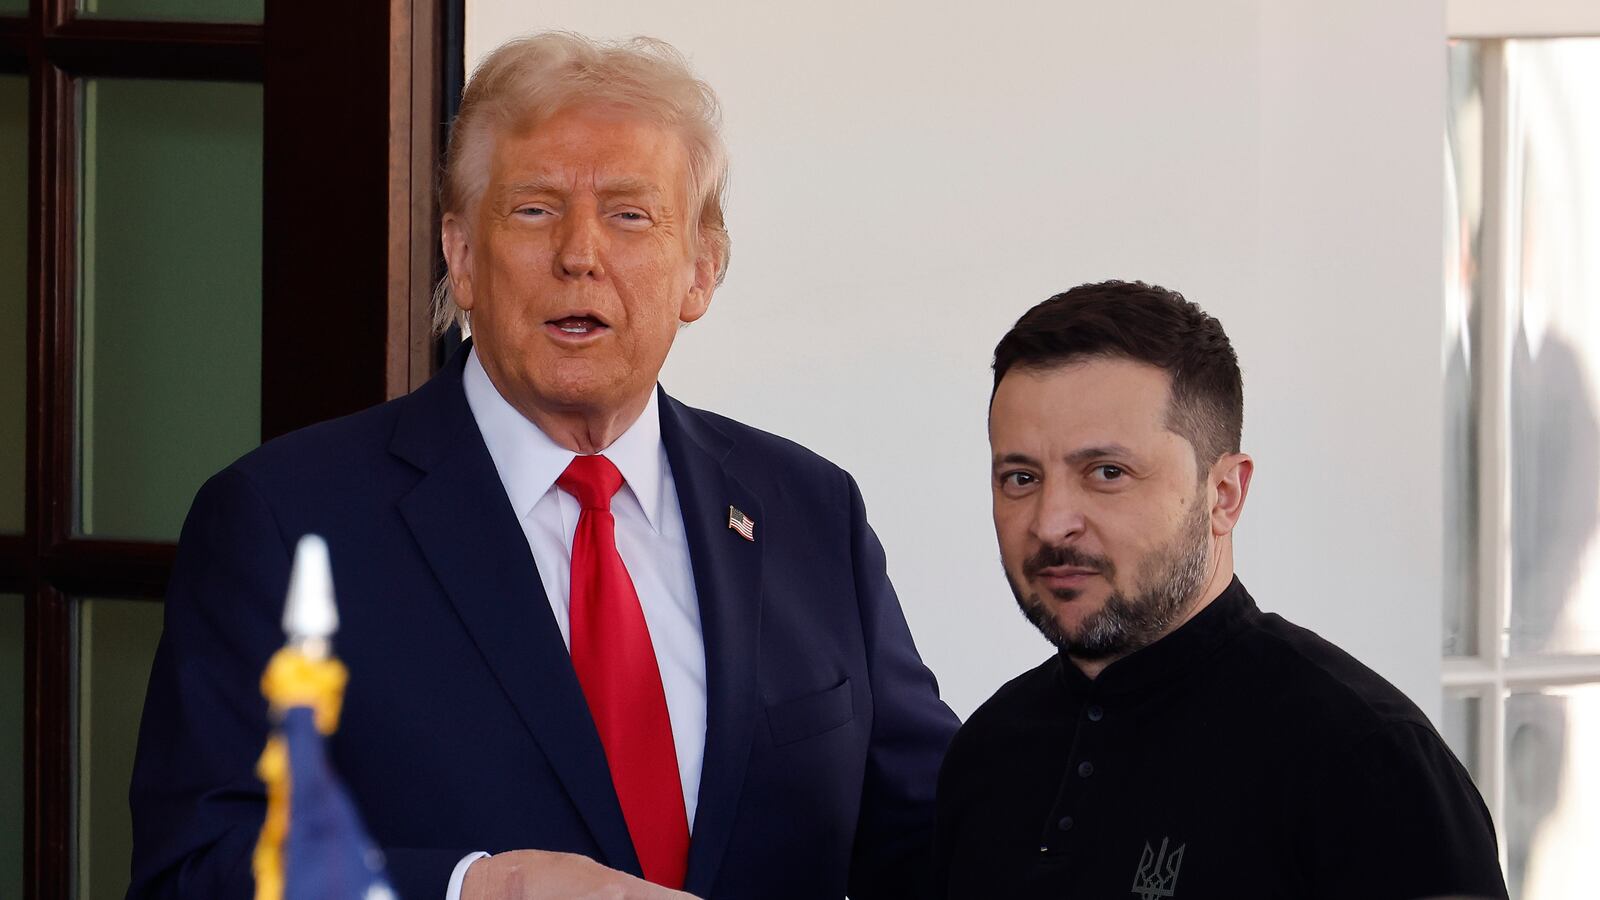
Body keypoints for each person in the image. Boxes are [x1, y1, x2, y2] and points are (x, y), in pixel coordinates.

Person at [128, 33, 958, 900]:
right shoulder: (282, 519)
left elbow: (940, 836)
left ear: (701, 271)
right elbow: (195, 869)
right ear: (461, 256)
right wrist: (473, 890)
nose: (579, 254)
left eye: (631, 214)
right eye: (534, 209)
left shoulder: (807, 509)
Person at [934, 280, 1507, 899]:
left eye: (1107, 473)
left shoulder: (1366, 757)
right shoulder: (986, 754)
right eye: (1020, 477)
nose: (1050, 522)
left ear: (1224, 495)